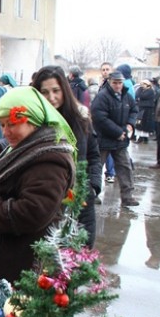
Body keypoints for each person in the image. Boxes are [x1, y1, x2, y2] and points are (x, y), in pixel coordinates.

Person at [0, 86, 76, 283]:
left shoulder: (49, 159)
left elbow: (33, 212)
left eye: (12, 124)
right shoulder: (25, 147)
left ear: (33, 120)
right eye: (3, 125)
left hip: (19, 265)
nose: (6, 132)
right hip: (3, 254)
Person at [32, 66, 101, 246]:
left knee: (80, 256)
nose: (51, 97)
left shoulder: (80, 118)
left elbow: (93, 155)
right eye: (44, 92)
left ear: (64, 89)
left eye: (56, 91)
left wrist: (93, 185)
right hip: (47, 199)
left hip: (81, 199)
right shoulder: (33, 121)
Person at [91, 71, 140, 207]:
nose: (118, 85)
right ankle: (91, 194)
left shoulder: (127, 96)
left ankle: (127, 196)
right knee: (96, 167)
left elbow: (134, 110)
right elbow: (100, 117)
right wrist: (117, 132)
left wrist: (130, 124)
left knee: (125, 167)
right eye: (115, 83)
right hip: (103, 139)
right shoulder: (102, 97)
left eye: (120, 82)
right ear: (110, 82)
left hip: (121, 140)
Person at [98, 62, 115, 183]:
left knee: (110, 150)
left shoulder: (113, 85)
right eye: (103, 69)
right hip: (103, 123)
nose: (105, 71)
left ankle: (110, 173)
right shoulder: (103, 84)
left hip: (111, 122)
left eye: (107, 69)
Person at [134, 79, 156, 144]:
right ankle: (140, 137)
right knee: (139, 123)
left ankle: (144, 138)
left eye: (143, 84)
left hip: (147, 110)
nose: (142, 86)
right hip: (141, 109)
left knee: (145, 124)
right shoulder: (141, 89)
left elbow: (142, 96)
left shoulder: (150, 91)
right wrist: (140, 89)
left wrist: (140, 93)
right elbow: (137, 95)